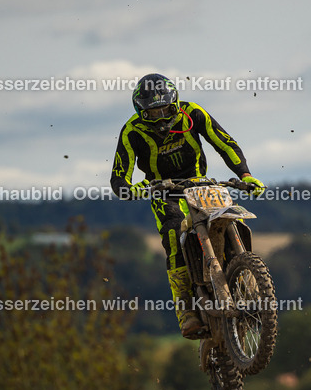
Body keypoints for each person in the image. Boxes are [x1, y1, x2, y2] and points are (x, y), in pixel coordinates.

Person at [110, 72, 266, 338]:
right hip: (163, 191)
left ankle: (246, 284)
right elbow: (118, 177)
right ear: (141, 112)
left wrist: (246, 175)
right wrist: (132, 189)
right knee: (174, 234)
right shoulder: (131, 131)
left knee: (232, 218)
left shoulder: (193, 112)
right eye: (153, 113)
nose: (160, 117)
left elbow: (224, 142)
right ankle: (186, 310)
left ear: (175, 102)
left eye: (165, 109)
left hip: (201, 184)